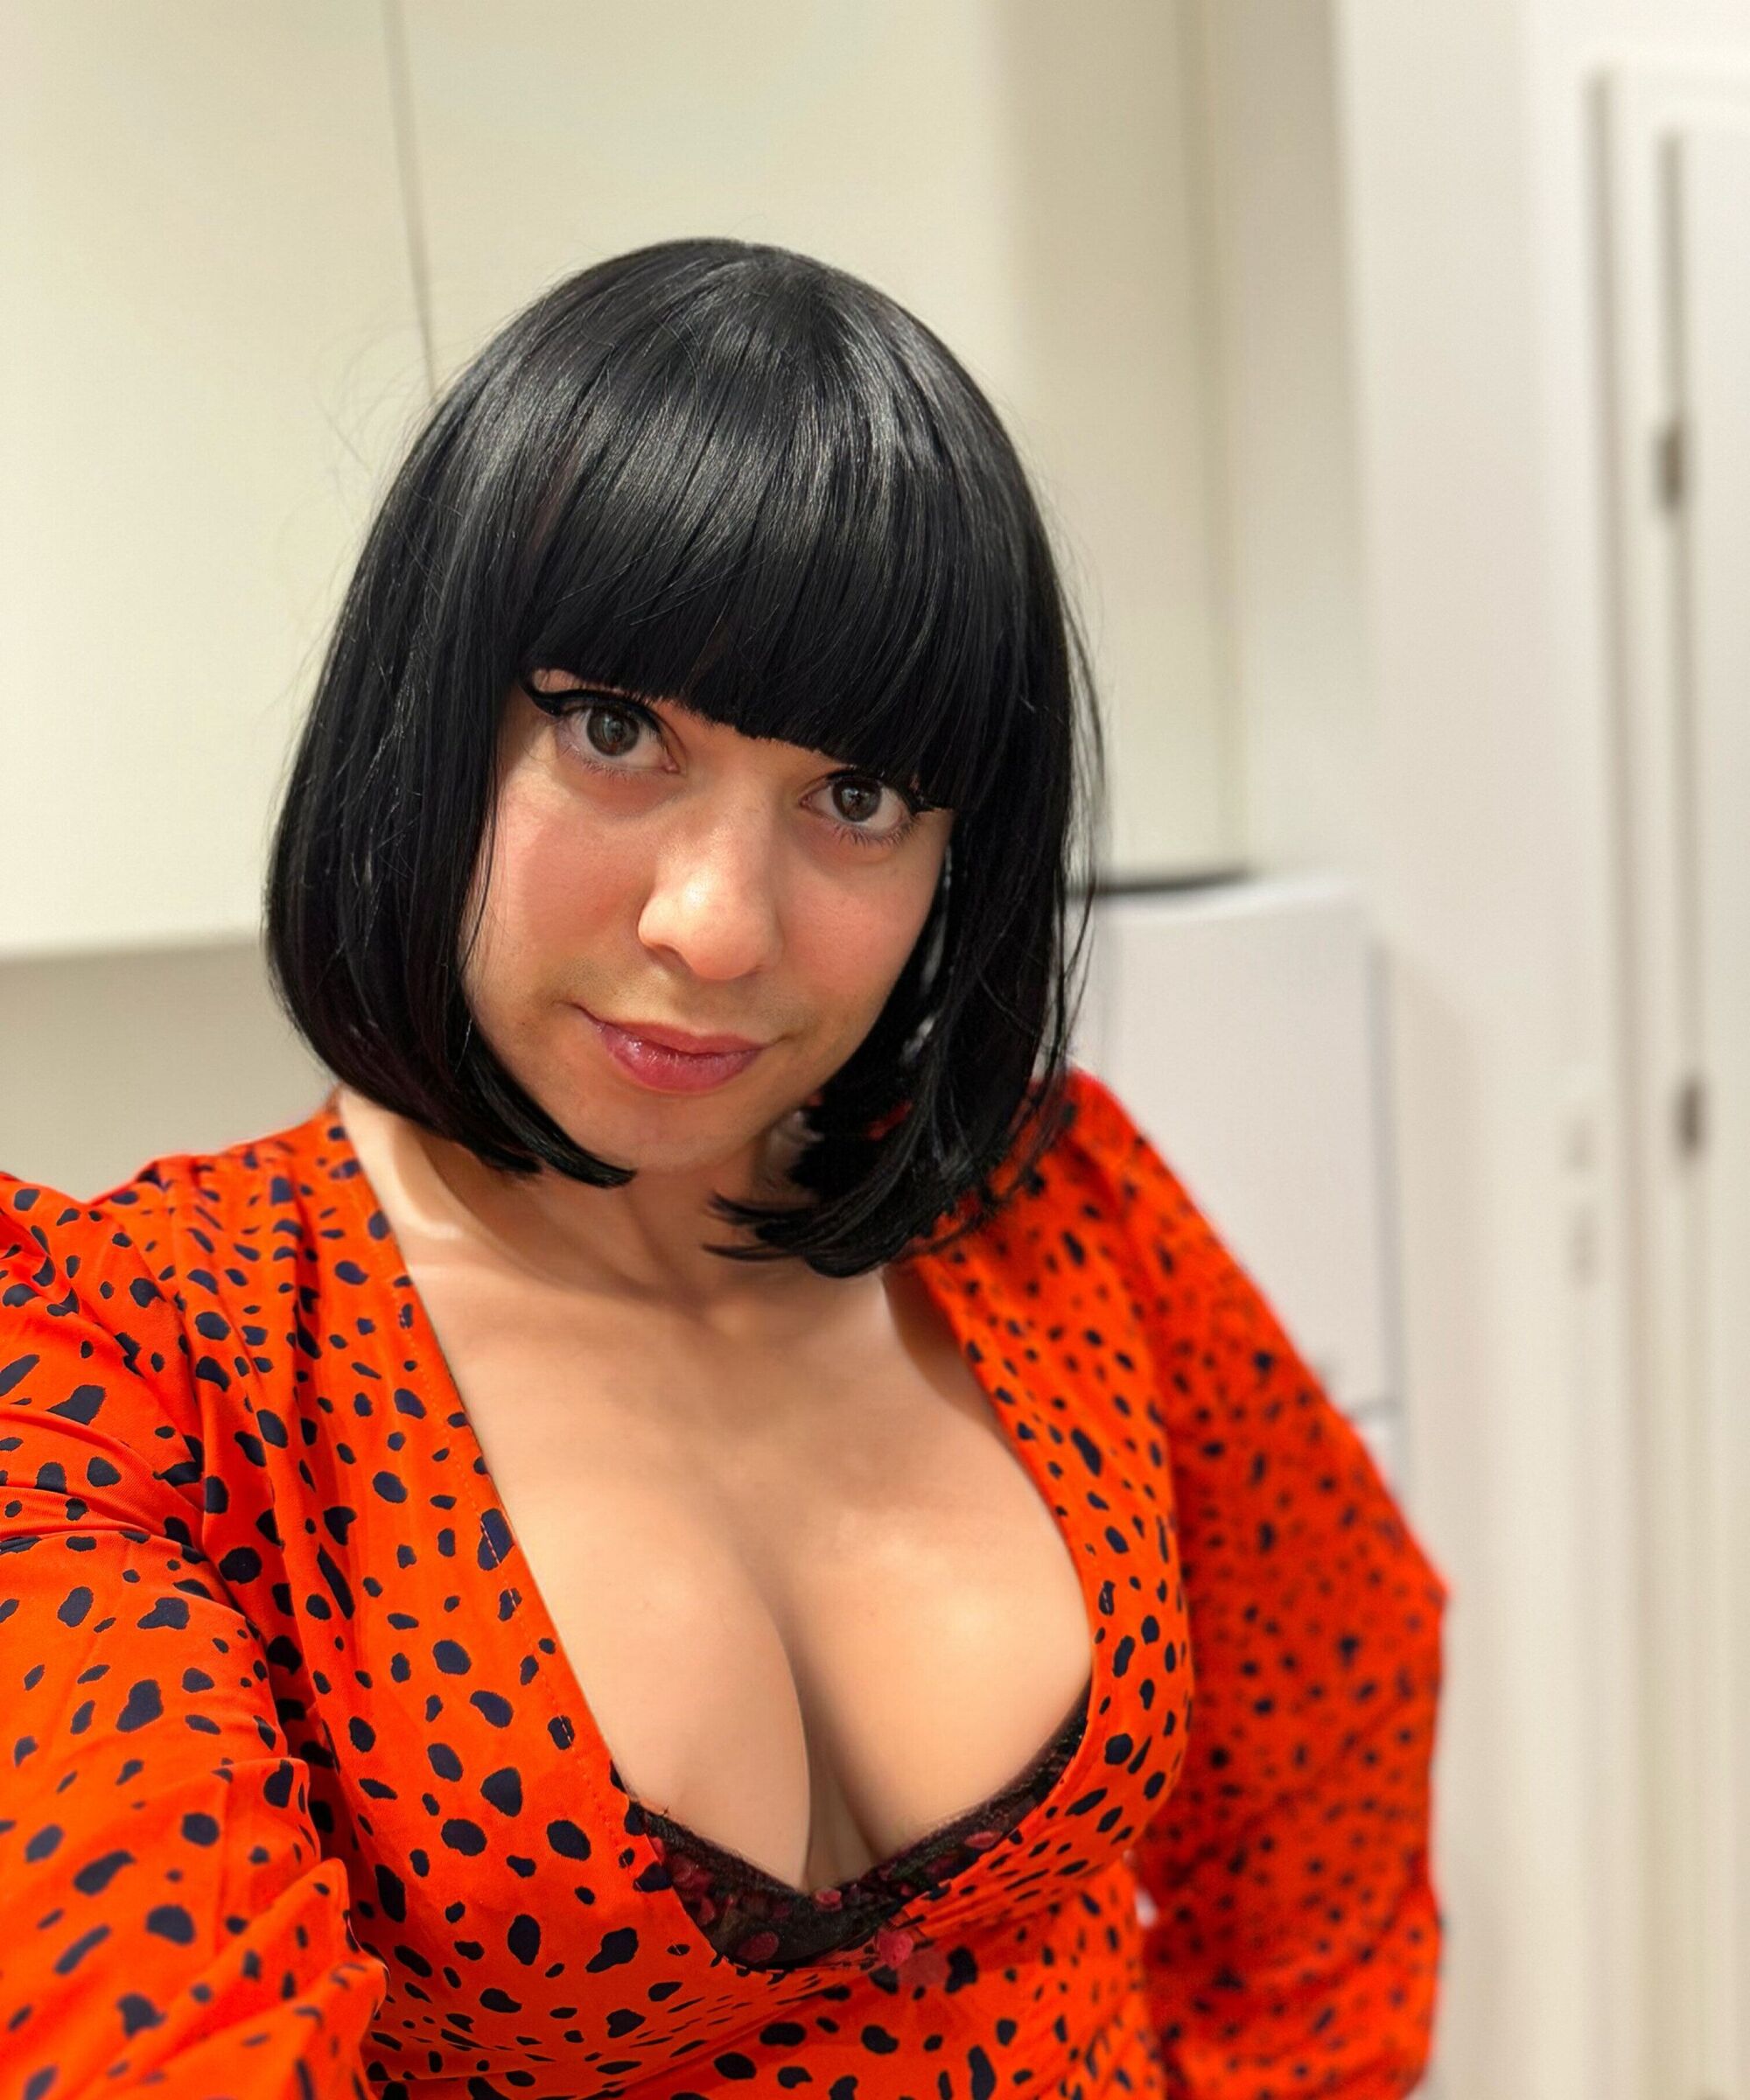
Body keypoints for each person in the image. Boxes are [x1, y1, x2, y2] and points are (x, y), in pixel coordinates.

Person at [0, 237, 1448, 2098]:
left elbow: (1339, 1712)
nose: (719, 926)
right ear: (431, 723)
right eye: (617, 734)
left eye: (857, 798)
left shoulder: (1050, 1206)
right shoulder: (130, 1359)